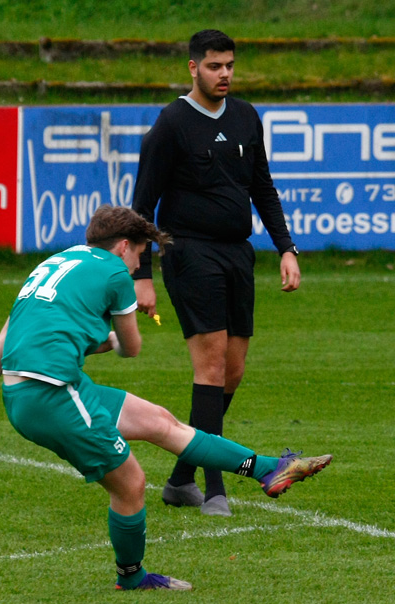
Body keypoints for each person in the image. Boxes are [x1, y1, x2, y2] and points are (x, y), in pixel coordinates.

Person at [0, 205, 329, 591]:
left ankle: (267, 469)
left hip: (38, 389)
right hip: (52, 396)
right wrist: (115, 335)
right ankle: (132, 577)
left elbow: (8, 336)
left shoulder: (54, 263)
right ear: (123, 246)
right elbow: (131, 348)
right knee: (131, 484)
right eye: (140, 254)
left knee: (160, 422)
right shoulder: (113, 273)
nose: (138, 265)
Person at [131, 29, 301, 517]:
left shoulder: (247, 117)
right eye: (213, 66)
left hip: (237, 254)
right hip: (189, 254)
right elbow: (142, 207)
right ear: (192, 68)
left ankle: (182, 476)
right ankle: (215, 489)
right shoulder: (170, 125)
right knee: (208, 368)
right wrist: (141, 274)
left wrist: (284, 247)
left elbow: (262, 187)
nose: (223, 73)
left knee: (233, 371)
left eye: (229, 65)